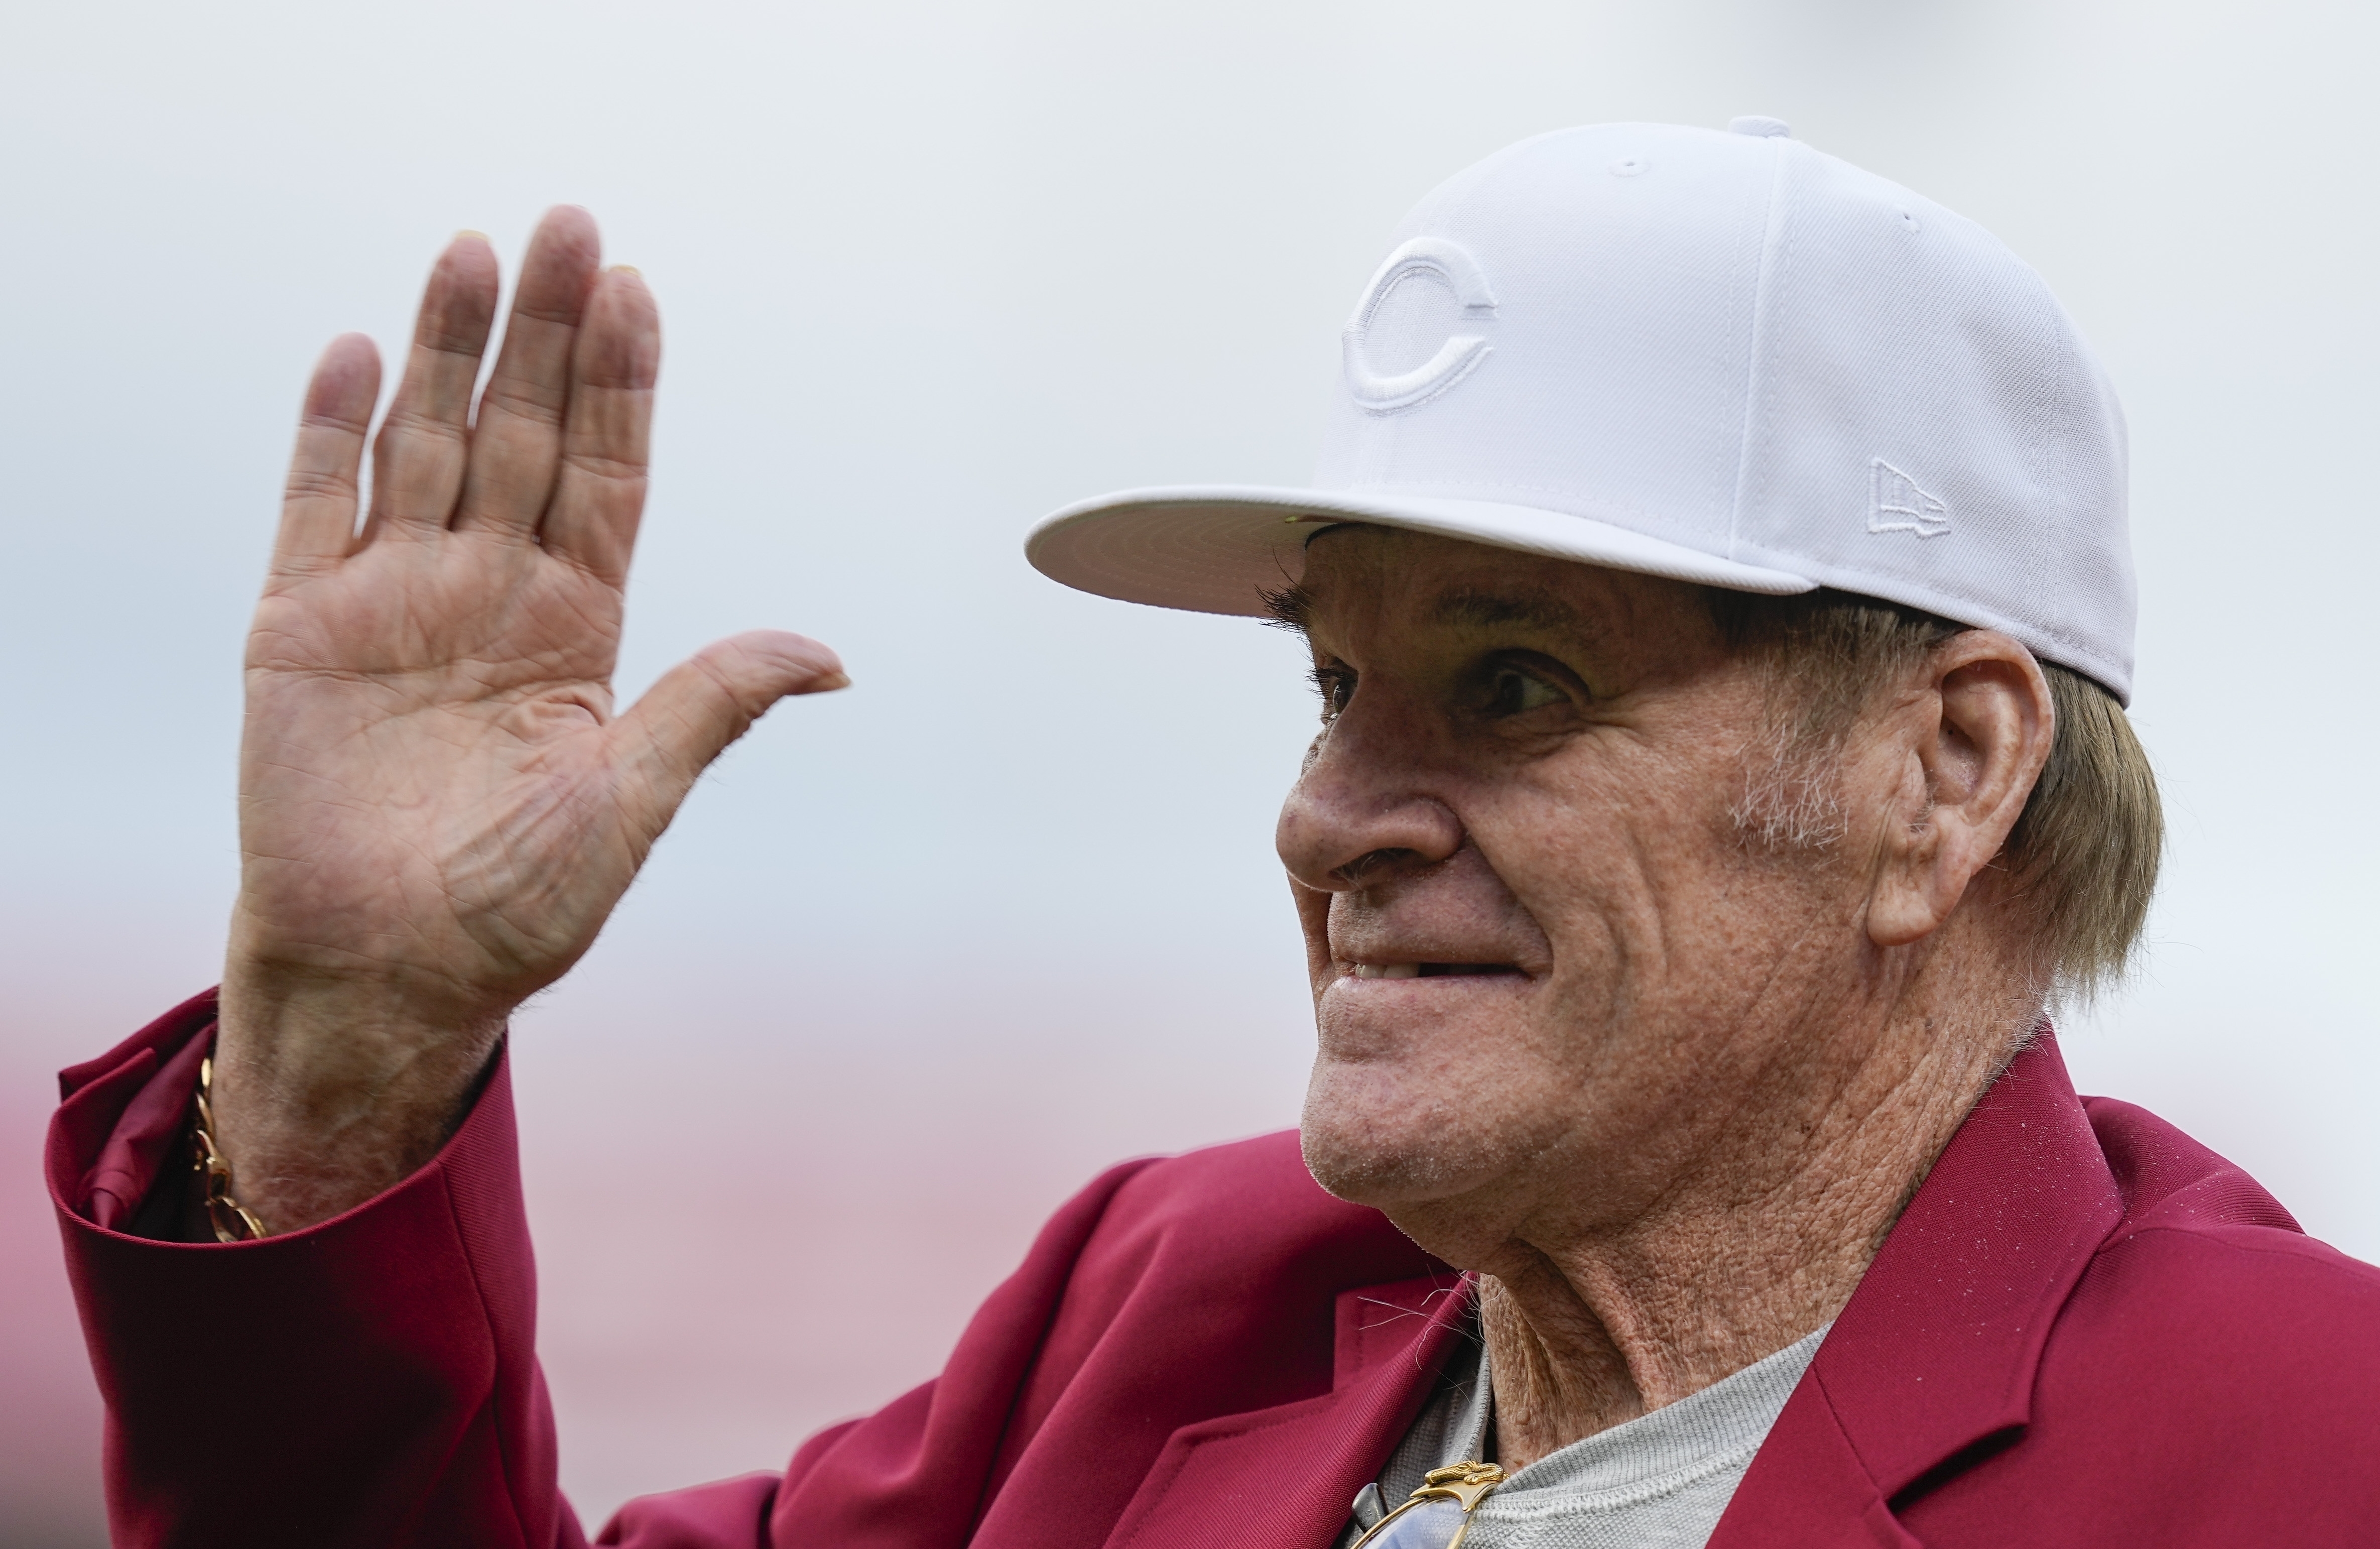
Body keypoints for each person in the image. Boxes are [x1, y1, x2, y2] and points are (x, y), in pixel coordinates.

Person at [46, 119, 2380, 1549]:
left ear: (1941, 773)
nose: (1327, 812)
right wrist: (344, 1059)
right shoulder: (1158, 1303)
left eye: (1515, 680)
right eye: (1333, 679)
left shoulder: (2308, 1452)